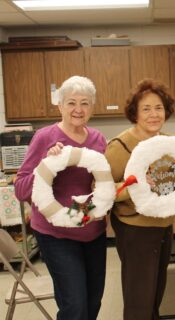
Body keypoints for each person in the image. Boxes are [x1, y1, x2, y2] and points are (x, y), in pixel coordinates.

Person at [105, 78, 175, 320]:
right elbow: (101, 190)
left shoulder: (170, 144)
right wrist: (132, 186)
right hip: (135, 230)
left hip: (163, 226)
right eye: (146, 109)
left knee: (155, 297)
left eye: (158, 108)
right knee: (139, 300)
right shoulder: (121, 146)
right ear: (135, 113)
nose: (153, 114)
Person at [14, 76, 108, 320]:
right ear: (60, 106)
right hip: (56, 234)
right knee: (74, 306)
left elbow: (103, 184)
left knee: (93, 302)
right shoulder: (45, 137)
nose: (78, 109)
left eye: (85, 103)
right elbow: (21, 190)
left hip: (92, 231)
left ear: (92, 107)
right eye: (71, 103)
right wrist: (46, 165)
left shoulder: (98, 139)